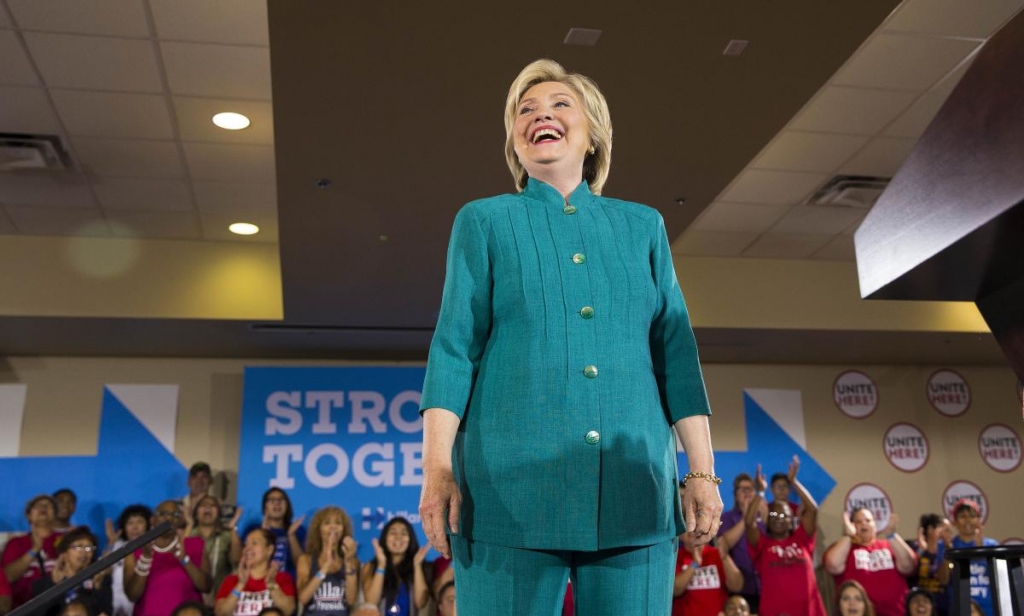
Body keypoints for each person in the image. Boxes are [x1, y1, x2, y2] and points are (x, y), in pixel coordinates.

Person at [418, 57, 723, 616]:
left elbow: (676, 356)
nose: (541, 115)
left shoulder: (643, 226)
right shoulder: (483, 221)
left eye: (560, 104)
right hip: (506, 499)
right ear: (515, 139)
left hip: (636, 500)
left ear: (593, 133)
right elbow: (453, 350)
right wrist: (436, 469)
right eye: (525, 110)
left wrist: (701, 471)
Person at [745, 458, 826, 616]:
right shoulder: (762, 545)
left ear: (792, 520)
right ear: (768, 518)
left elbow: (813, 510)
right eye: (774, 513)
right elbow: (749, 523)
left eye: (784, 514)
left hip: (808, 611)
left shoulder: (802, 538)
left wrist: (793, 481)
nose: (778, 517)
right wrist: (760, 492)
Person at [123, 500, 212, 616]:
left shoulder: (195, 545)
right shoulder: (136, 550)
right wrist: (145, 558)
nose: (168, 518)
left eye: (175, 515)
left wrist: (184, 559)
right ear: (152, 520)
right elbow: (132, 595)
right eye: (163, 514)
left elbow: (206, 586)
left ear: (180, 520)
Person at [824, 508, 916, 616]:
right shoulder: (844, 547)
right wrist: (848, 536)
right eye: (858, 521)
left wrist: (892, 536)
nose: (864, 523)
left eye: (868, 520)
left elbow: (908, 566)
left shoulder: (889, 545)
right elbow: (833, 565)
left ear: (875, 525)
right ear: (852, 525)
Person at [30, 525, 113, 616]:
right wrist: (53, 584)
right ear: (64, 553)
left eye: (88, 547)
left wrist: (97, 589)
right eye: (78, 547)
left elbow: (106, 613)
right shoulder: (43, 584)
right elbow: (37, 614)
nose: (84, 552)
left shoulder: (101, 581)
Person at [214, 528, 296, 616]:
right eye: (246, 544)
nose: (248, 548)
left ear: (270, 550)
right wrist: (240, 584)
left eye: (254, 543)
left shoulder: (282, 579)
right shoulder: (231, 580)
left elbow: (288, 611)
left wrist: (271, 585)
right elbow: (220, 613)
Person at [936, 499, 998, 616]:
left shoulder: (991, 545)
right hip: (959, 608)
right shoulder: (944, 545)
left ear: (979, 520)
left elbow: (998, 579)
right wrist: (949, 550)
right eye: (962, 516)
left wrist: (980, 549)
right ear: (955, 521)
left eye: (972, 516)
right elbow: (944, 580)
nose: (968, 520)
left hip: (989, 609)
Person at [296, 506, 360, 615]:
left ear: (343, 529)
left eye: (338, 523)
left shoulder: (352, 561)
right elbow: (303, 598)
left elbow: (351, 600)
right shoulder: (306, 560)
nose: (333, 527)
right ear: (319, 529)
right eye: (327, 523)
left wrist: (349, 563)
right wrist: (325, 567)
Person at [1, 494, 63, 607]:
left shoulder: (65, 540)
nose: (43, 508)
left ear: (55, 515)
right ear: (28, 515)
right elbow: (8, 577)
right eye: (38, 506)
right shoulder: (16, 543)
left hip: (59, 605)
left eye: (48, 506)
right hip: (23, 607)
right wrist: (34, 550)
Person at [361, 517, 429, 615]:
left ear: (410, 539)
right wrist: (381, 565)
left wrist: (417, 565)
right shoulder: (371, 567)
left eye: (404, 533)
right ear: (385, 538)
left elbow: (420, 603)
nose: (398, 537)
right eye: (393, 533)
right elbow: (371, 602)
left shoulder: (420, 567)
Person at [717, 473, 764, 612]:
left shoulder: (764, 517)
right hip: (740, 588)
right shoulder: (727, 518)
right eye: (742, 490)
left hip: (766, 586)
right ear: (736, 494)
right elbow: (723, 545)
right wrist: (746, 518)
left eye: (750, 489)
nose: (747, 493)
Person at [671, 528, 743, 616]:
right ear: (680, 534)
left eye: (697, 525)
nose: (693, 530)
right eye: (688, 525)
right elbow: (675, 590)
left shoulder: (717, 554)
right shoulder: (674, 557)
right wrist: (694, 564)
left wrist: (724, 557)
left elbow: (737, 586)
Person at [188, 495, 242, 606]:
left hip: (219, 602)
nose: (208, 508)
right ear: (196, 513)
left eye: (212, 505)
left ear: (218, 514)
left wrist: (233, 527)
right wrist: (189, 524)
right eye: (203, 505)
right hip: (191, 602)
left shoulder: (227, 535)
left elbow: (237, 560)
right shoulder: (189, 534)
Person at [242, 488, 305, 579]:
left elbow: (301, 564)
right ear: (265, 506)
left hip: (288, 584)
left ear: (287, 506)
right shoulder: (252, 530)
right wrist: (263, 534)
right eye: (272, 500)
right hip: (258, 584)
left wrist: (291, 536)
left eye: (281, 500)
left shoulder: (298, 530)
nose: (277, 503)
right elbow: (241, 560)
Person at [106, 504, 151, 616]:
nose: (135, 527)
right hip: (115, 608)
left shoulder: (154, 549)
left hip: (142, 608)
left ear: (148, 525)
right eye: (130, 523)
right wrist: (110, 544)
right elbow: (103, 571)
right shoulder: (118, 547)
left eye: (139, 522)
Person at [909, 513, 950, 616]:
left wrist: (948, 550)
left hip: (942, 605)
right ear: (931, 529)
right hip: (920, 605)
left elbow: (944, 579)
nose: (948, 535)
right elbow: (919, 573)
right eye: (945, 530)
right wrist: (925, 553)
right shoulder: (914, 548)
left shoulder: (946, 549)